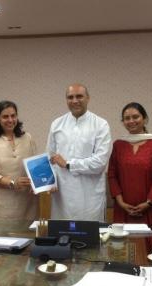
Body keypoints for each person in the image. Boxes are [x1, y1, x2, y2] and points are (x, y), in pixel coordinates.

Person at [47, 83, 112, 221]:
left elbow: (99, 163)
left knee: (89, 238)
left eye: (79, 96)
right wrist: (48, 181)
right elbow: (50, 158)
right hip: (62, 197)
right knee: (62, 237)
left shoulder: (101, 125)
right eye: (70, 97)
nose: (75, 101)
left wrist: (69, 164)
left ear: (88, 98)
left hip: (89, 197)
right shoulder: (57, 124)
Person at [108, 103, 152, 248]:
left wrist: (148, 203)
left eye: (135, 117)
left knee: (148, 248)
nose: (131, 121)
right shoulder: (118, 145)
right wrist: (121, 202)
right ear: (123, 122)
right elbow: (112, 175)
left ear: (145, 119)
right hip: (123, 209)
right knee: (121, 248)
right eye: (127, 118)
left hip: (149, 209)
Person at [0, 100, 38, 223]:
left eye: (13, 116)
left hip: (28, 204)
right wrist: (13, 183)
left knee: (28, 240)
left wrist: (40, 182)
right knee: (3, 241)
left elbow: (36, 166)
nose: (10, 120)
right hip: (2, 207)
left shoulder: (27, 138)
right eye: (5, 116)